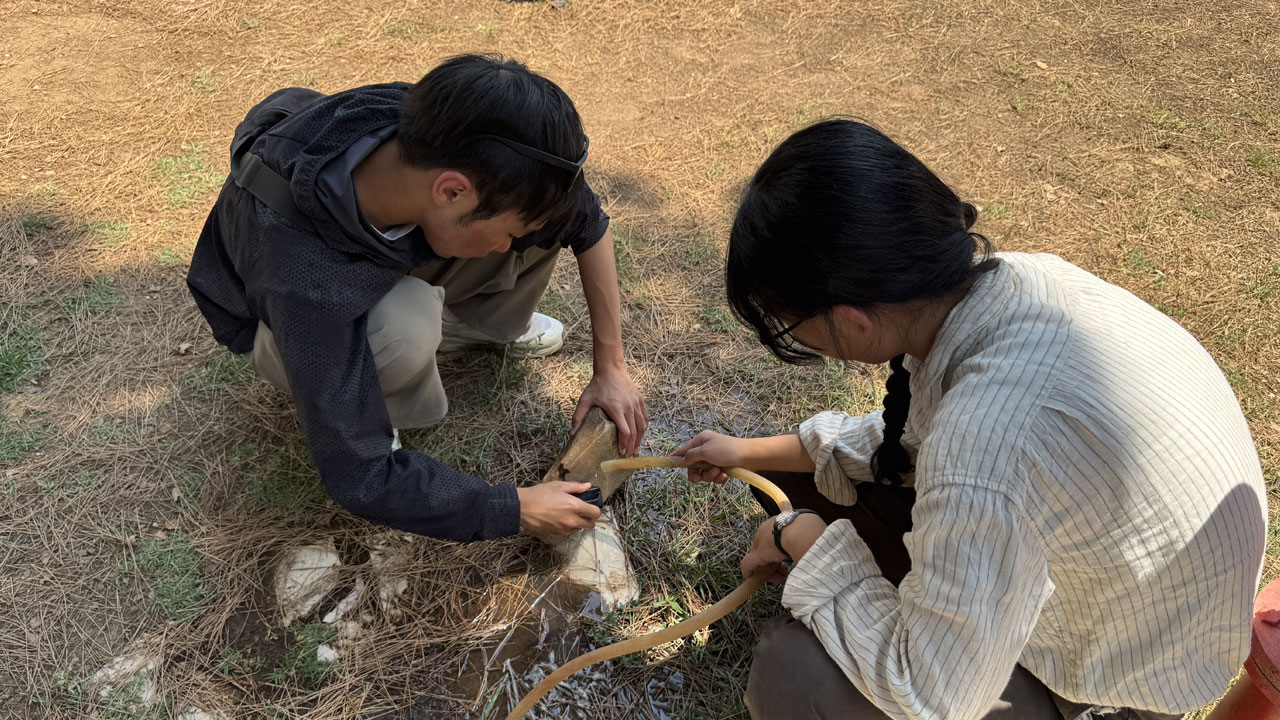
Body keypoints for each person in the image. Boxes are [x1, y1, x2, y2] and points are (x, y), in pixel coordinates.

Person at [674, 119, 1266, 720]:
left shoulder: (988, 437)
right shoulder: (1011, 283)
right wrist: (745, 454)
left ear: (852, 320)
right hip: (1128, 605)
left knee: (793, 675)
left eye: (786, 319)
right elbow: (910, 442)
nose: (793, 335)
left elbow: (934, 693)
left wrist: (800, 538)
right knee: (810, 478)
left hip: (1116, 680)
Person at [187, 54, 648, 542]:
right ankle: (381, 392)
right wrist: (514, 508)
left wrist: (611, 368)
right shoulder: (304, 278)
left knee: (539, 224)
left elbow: (585, 221)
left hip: (375, 252)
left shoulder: (443, 135)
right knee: (404, 326)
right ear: (451, 191)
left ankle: (470, 327)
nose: (510, 249)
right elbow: (360, 476)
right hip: (283, 322)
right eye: (509, 235)